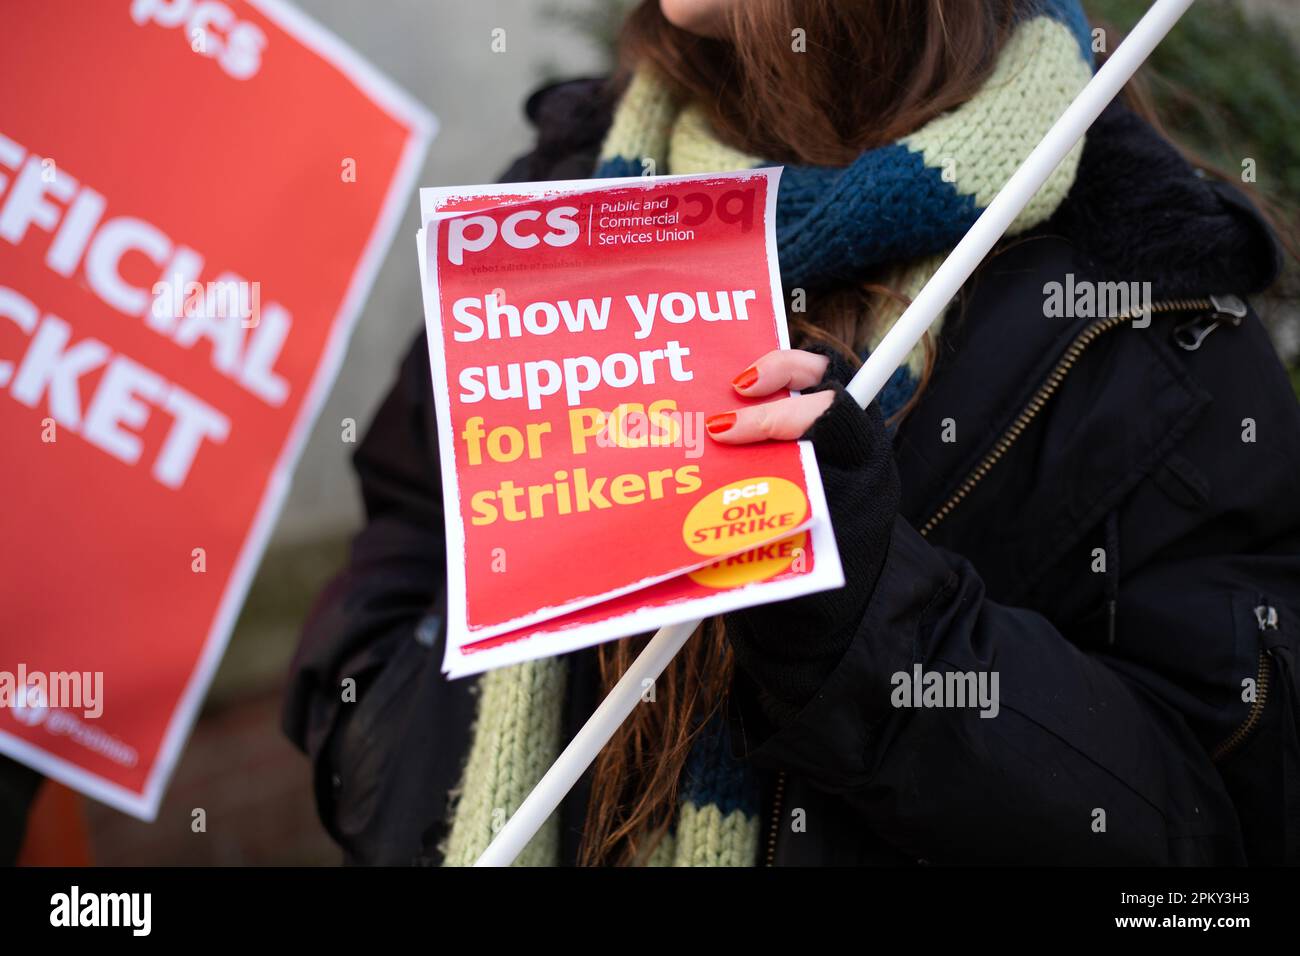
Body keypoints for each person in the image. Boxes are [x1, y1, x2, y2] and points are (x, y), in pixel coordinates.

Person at [283, 0, 1300, 866]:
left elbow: (1211, 829)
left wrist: (869, 622)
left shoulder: (1150, 305)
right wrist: (393, 753)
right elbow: (408, 540)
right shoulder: (556, 197)